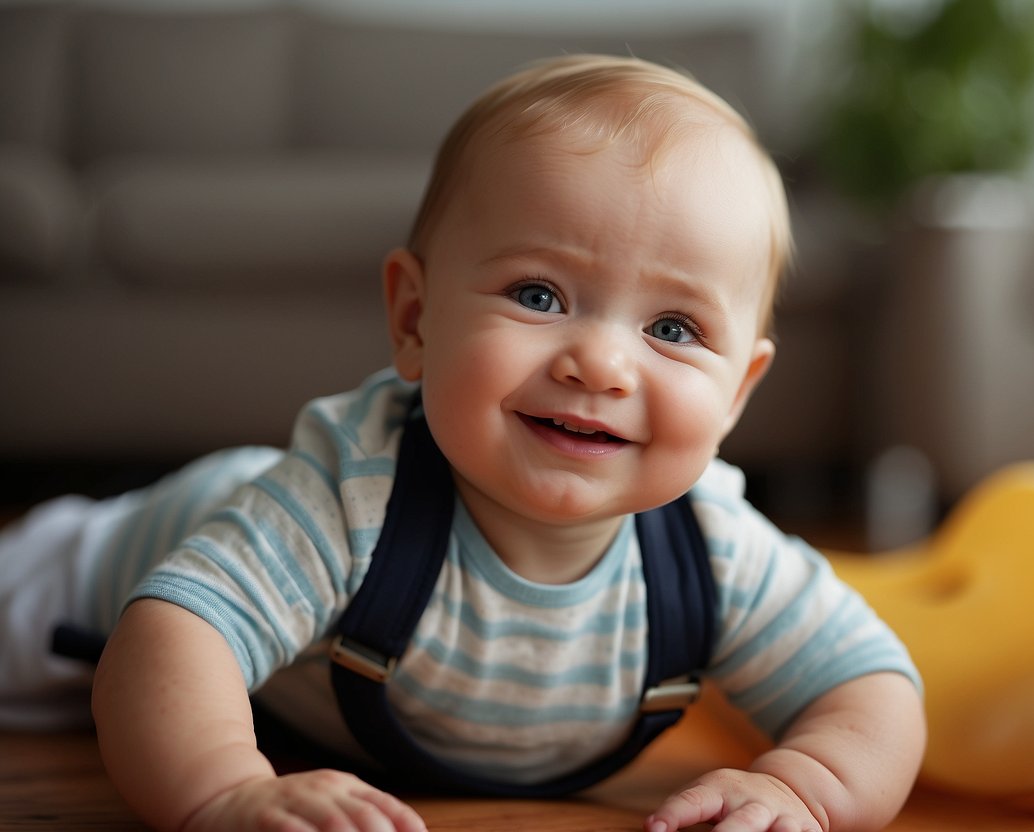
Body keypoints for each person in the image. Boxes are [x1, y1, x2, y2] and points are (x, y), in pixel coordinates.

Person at [0, 54, 925, 831]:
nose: (599, 364)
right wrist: (226, 792)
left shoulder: (714, 553)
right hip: (122, 565)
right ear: (413, 317)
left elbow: (870, 686)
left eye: (674, 329)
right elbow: (173, 638)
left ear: (737, 394)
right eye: (538, 295)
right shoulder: (346, 496)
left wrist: (798, 786)